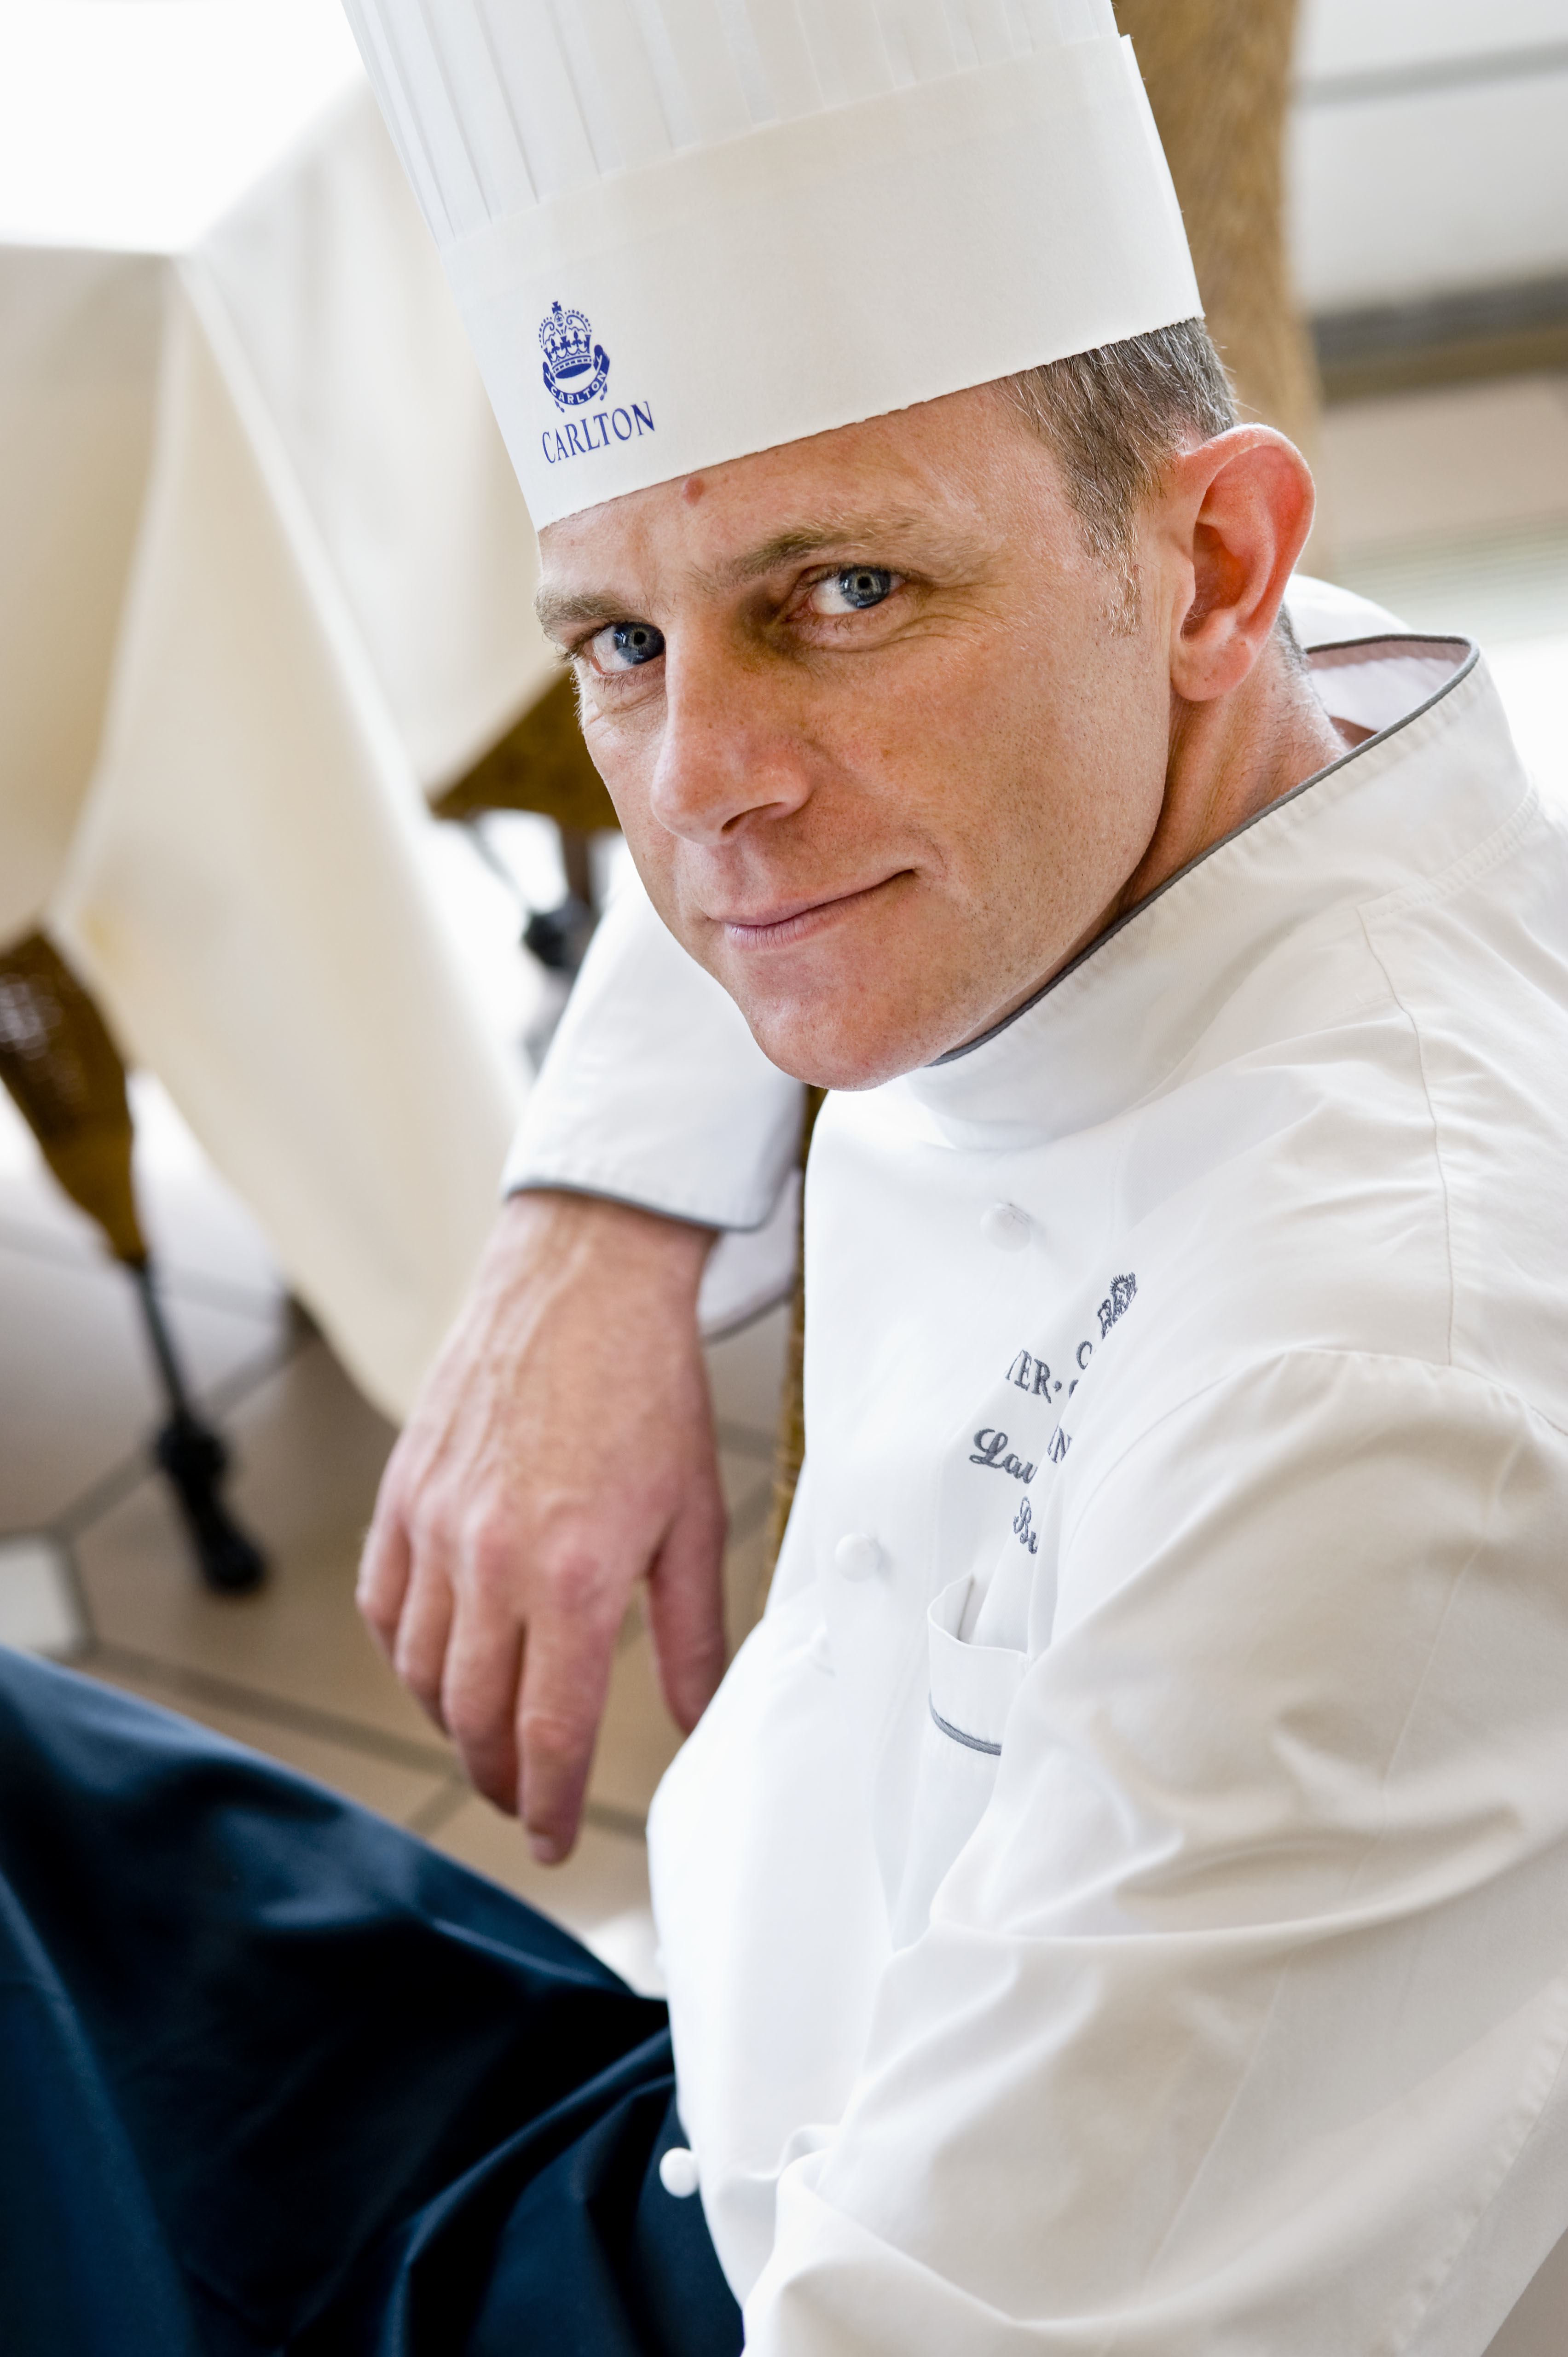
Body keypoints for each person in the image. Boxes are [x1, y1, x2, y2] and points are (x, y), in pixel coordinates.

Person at [6, 8, 1568, 2355]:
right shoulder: (1244, 736)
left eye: (842, 595)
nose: (702, 790)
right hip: (693, 2109)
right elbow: (799, 766)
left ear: (1213, 560)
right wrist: (600, 1214)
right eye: (620, 642)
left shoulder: (1369, 1407)